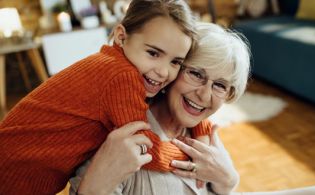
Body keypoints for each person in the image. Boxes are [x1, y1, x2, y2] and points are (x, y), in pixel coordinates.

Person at [0, 1, 212, 194]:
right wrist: (192, 156)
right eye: (154, 53)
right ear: (121, 36)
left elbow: (186, 99)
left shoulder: (112, 62)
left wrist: (200, 128)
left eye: (175, 62)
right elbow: (145, 146)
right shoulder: (122, 76)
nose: (163, 72)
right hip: (13, 175)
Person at [69, 21, 251, 195]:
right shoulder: (119, 135)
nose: (204, 95)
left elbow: (222, 190)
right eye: (196, 74)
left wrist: (228, 179)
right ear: (172, 69)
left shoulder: (207, 136)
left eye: (220, 85)